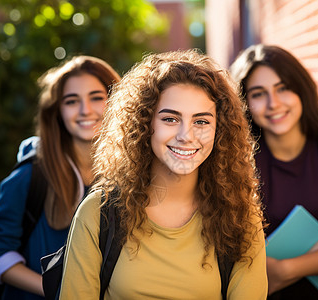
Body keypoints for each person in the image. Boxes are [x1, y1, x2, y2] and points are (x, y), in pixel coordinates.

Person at [59, 49, 268, 299]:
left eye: (201, 121)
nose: (186, 135)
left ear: (219, 130)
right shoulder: (99, 211)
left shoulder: (241, 216)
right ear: (144, 125)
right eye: (170, 119)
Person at [230, 44, 318, 299]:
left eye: (283, 88)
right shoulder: (235, 162)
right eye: (258, 94)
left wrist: (284, 269)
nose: (273, 103)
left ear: (301, 89)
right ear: (244, 102)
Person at [0, 55, 121, 299]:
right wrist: (57, 291)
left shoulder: (130, 176)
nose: (85, 110)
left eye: (96, 97)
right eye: (71, 101)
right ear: (57, 111)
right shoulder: (32, 174)